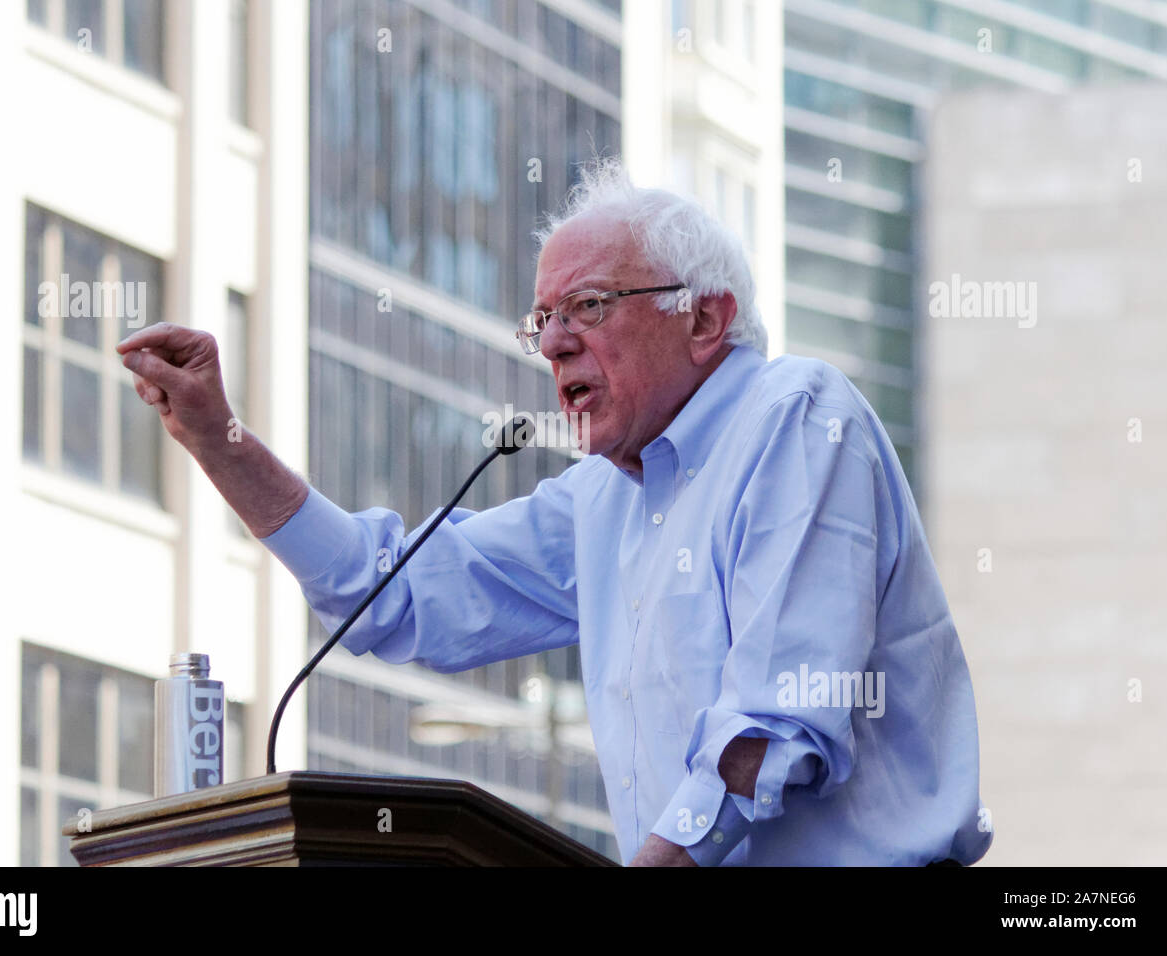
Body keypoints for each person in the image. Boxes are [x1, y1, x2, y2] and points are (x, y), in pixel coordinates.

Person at [117, 159, 992, 867]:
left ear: (705, 319)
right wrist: (217, 440)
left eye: (590, 306)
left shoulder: (797, 415)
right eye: (542, 319)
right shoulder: (604, 497)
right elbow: (393, 596)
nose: (554, 342)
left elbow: (775, 724)